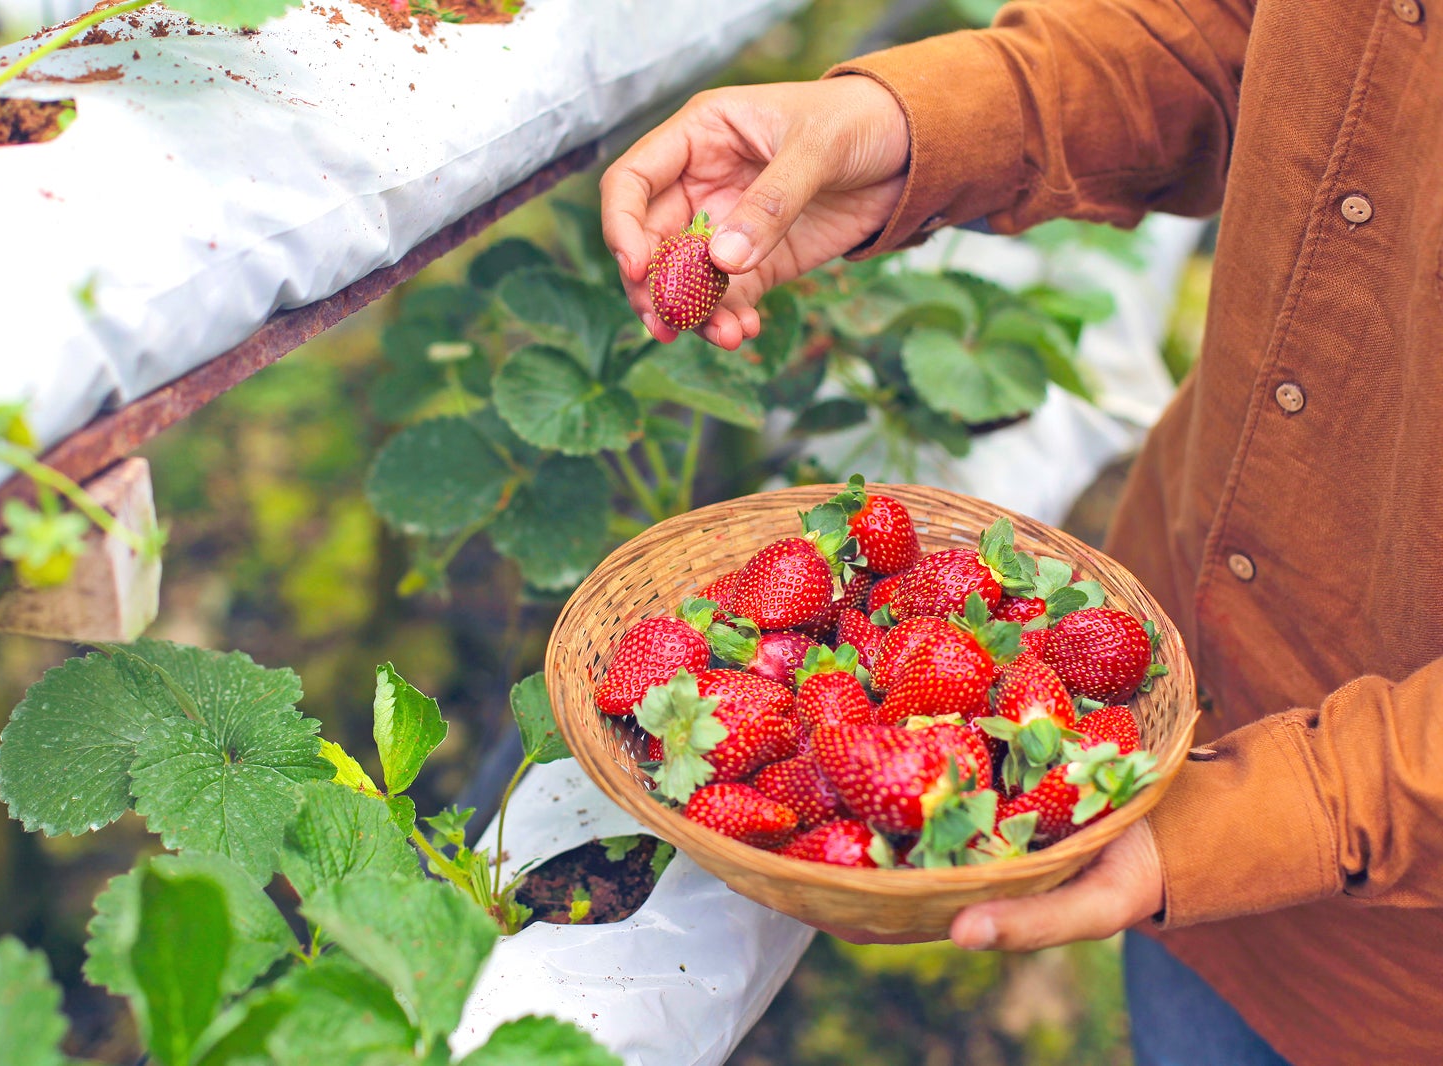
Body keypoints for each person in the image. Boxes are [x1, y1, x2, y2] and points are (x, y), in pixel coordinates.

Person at [598, 2, 1442, 1063]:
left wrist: (1261, 820)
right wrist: (902, 127)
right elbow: (1241, 38)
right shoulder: (1084, 726)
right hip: (1166, 713)